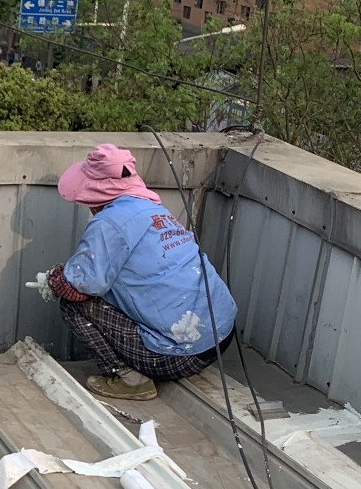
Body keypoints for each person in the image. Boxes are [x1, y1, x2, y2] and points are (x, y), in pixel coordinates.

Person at [42, 142, 237, 402]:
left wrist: (54, 280)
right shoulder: (155, 211)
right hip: (220, 337)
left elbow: (78, 286)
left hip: (180, 355)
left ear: (93, 193)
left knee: (72, 306)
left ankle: (132, 381)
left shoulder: (108, 224)